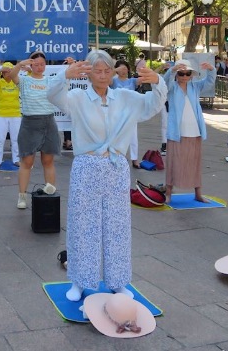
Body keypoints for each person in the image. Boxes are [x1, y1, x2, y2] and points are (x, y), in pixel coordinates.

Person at [47, 50, 167, 302]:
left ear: (113, 72)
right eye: (97, 70)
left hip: (115, 167)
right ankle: (80, 281)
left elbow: (153, 106)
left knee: (117, 226)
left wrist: (158, 82)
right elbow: (53, 95)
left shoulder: (126, 97)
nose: (102, 76)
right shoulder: (78, 97)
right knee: (83, 226)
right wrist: (64, 75)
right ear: (88, 72)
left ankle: (118, 281)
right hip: (86, 166)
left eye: (106, 70)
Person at [8, 51, 61, 209]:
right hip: (30, 123)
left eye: (42, 64)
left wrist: (71, 65)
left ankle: (50, 193)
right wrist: (19, 64)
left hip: (48, 122)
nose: (39, 67)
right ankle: (22, 196)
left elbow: (65, 79)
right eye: (36, 64)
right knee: (27, 161)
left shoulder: (50, 81)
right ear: (30, 65)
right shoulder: (24, 80)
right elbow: (11, 75)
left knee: (48, 160)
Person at [163, 58, 216, 202]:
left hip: (195, 131)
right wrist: (171, 70)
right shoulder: (172, 87)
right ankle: (168, 193)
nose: (185, 76)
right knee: (173, 162)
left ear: (192, 75)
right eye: (181, 73)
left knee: (195, 163)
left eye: (187, 73)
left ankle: (198, 193)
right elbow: (163, 83)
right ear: (177, 75)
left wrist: (211, 69)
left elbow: (210, 82)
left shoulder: (195, 86)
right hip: (177, 132)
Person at [110, 59, 142, 169]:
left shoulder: (132, 81)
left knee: (133, 136)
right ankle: (117, 156)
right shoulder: (113, 81)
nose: (124, 71)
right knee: (117, 135)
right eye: (121, 69)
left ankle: (135, 158)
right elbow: (107, 77)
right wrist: (115, 70)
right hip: (117, 112)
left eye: (125, 68)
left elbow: (143, 79)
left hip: (131, 112)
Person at [0, 61, 21, 167]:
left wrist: (28, 71)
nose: (7, 73)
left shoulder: (17, 83)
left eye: (10, 71)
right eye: (5, 71)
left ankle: (16, 159)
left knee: (16, 139)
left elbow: (29, 81)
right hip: (1, 115)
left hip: (15, 114)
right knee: (0, 139)